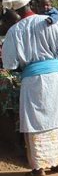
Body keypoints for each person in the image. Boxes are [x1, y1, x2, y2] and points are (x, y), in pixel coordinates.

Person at [2, 0, 58, 176]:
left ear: (14, 9)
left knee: (35, 121)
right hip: (55, 77)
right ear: (30, 3)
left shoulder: (14, 31)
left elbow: (9, 63)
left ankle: (40, 167)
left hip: (32, 79)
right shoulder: (48, 21)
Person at [0, 8, 22, 151]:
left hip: (14, 73)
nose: (17, 25)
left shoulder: (16, 35)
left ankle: (19, 141)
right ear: (5, 22)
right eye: (15, 22)